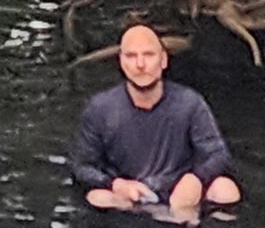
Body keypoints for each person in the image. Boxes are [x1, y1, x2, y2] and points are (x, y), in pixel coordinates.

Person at [69, 24, 242, 216]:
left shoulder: (190, 103)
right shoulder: (100, 108)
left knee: (226, 190)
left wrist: (195, 179)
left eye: (149, 55)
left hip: (180, 194)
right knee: (98, 197)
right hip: (130, 197)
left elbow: (218, 154)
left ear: (163, 60)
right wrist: (116, 184)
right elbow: (81, 166)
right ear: (121, 62)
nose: (140, 64)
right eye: (131, 56)